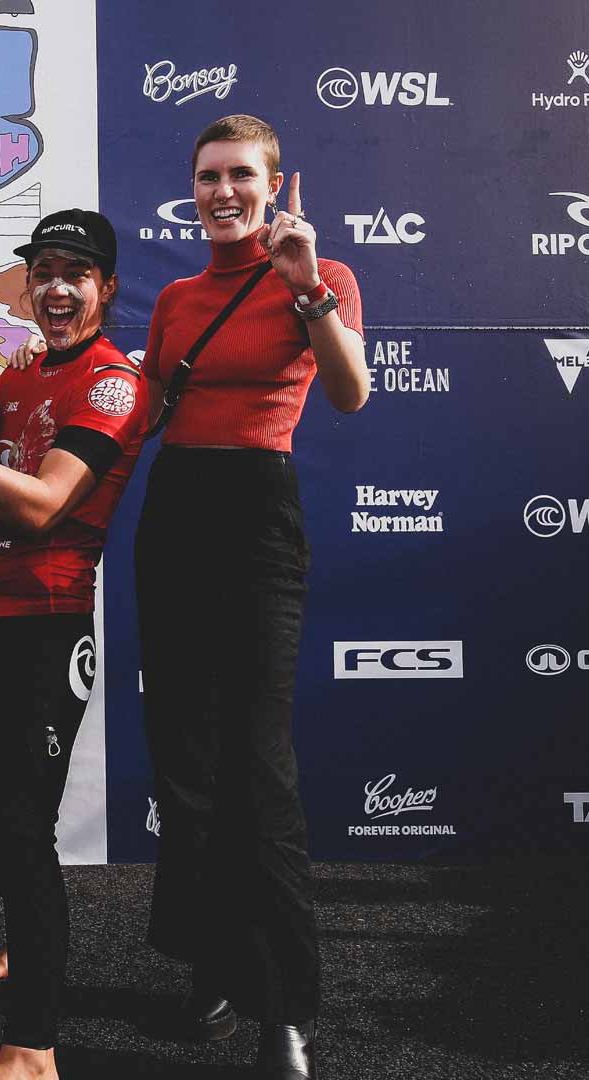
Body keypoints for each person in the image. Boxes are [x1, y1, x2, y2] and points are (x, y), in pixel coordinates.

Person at [139, 114, 367, 1080]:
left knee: (258, 765)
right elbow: (143, 412)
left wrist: (306, 279)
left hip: (259, 514)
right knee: (187, 766)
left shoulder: (320, 276)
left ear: (274, 182)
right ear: (191, 188)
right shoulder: (179, 298)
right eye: (207, 176)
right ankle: (213, 968)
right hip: (176, 515)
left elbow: (352, 392)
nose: (222, 191)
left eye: (240, 174)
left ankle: (286, 1009)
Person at [0, 210, 150, 1080]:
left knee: (16, 826)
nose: (56, 286)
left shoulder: (113, 383)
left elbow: (41, 504)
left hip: (45, 622)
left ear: (105, 288)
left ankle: (34, 1045)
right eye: (43, 269)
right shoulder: (14, 376)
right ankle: (26, 945)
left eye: (76, 271)